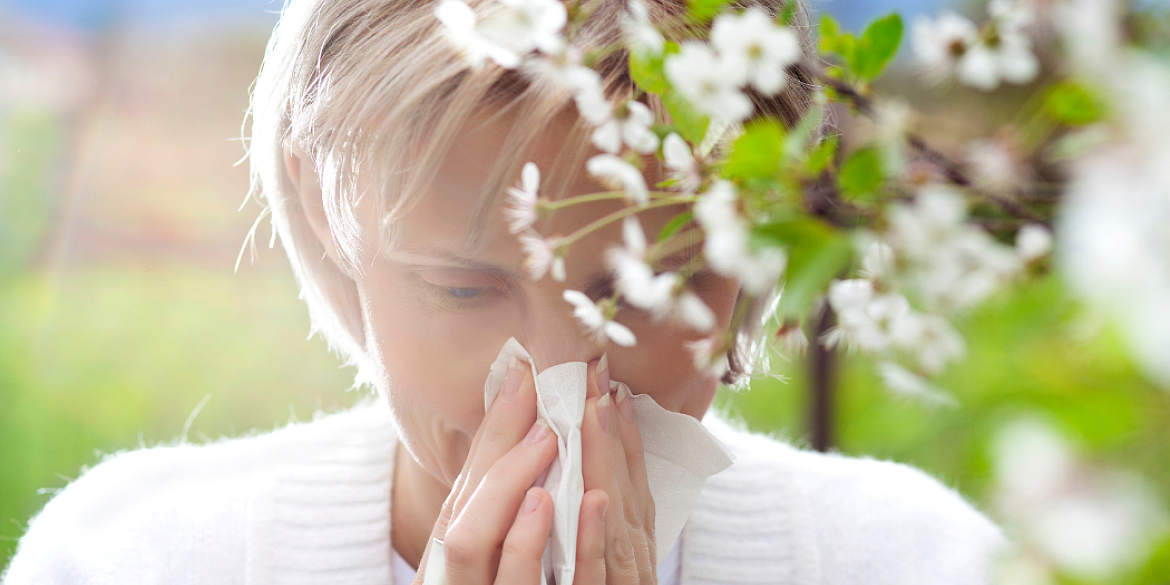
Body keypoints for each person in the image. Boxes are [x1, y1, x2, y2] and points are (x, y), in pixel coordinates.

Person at [2, 0, 1007, 583]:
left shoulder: (913, 562)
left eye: (647, 286)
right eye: (462, 290)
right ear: (326, 215)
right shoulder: (136, 561)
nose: (565, 377)